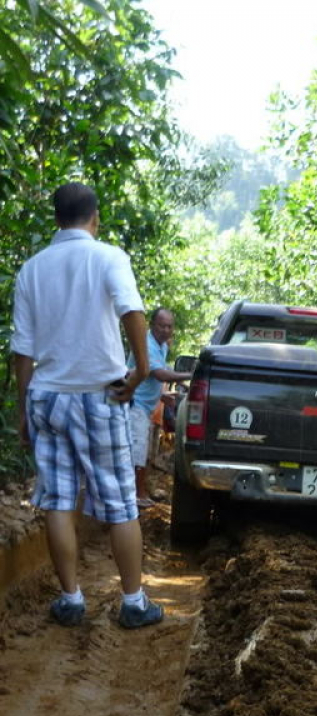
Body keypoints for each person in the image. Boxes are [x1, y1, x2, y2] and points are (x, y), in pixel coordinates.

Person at [11, 181, 164, 629]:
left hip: (49, 398)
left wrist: (24, 410)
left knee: (59, 501)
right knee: (119, 503)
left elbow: (23, 350)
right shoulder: (108, 257)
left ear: (56, 218)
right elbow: (131, 310)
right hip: (100, 396)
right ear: (95, 217)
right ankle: (133, 603)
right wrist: (139, 371)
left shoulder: (32, 269)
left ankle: (71, 599)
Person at [127, 307, 190, 507]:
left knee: (142, 451)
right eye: (161, 325)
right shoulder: (147, 343)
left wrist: (162, 395)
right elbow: (159, 374)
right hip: (133, 402)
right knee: (136, 451)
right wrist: (190, 375)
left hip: (145, 406)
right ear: (152, 325)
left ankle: (138, 492)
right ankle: (134, 496)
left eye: (169, 326)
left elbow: (150, 376)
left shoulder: (161, 345)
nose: (165, 330)